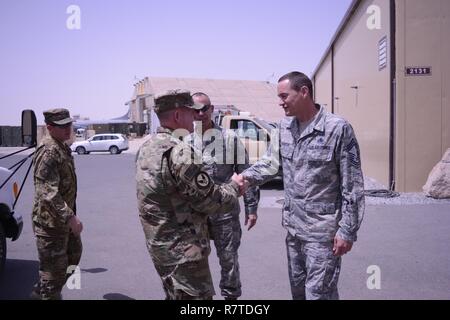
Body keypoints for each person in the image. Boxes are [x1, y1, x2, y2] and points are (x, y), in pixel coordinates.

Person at [240, 71, 365, 300]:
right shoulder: (284, 127)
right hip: (294, 230)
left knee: (318, 294)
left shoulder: (337, 129)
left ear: (304, 92)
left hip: (323, 233)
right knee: (298, 293)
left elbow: (353, 185)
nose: (280, 102)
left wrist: (347, 230)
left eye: (284, 96)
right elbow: (270, 163)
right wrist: (245, 178)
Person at [136, 90, 242, 300]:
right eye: (190, 112)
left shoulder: (147, 147)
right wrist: (235, 187)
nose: (195, 117)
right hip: (183, 251)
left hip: (160, 246)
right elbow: (211, 201)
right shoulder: (180, 151)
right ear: (177, 116)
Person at [187, 92, 259, 300]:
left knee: (229, 261)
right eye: (195, 110)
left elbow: (247, 174)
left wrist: (251, 209)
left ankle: (231, 298)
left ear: (211, 110)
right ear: (190, 113)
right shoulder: (186, 141)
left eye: (204, 109)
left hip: (224, 215)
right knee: (195, 263)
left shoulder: (230, 139)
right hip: (196, 216)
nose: (200, 114)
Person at [31, 108, 83, 300]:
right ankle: (47, 291)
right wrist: (70, 218)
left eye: (69, 124)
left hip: (63, 221)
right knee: (53, 273)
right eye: (62, 126)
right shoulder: (49, 151)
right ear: (50, 128)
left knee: (74, 256)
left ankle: (42, 290)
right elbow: (47, 192)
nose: (68, 129)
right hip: (50, 225)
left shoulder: (61, 146)